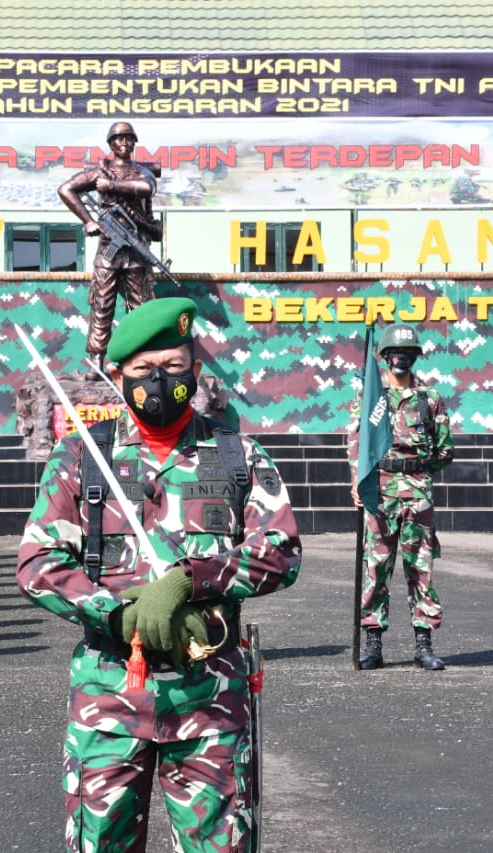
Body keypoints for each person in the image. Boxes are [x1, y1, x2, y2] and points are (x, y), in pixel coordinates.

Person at [18, 297, 300, 852]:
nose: (159, 382)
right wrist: (118, 613)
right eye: (144, 371)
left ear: (194, 373)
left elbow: (280, 550)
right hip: (109, 698)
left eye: (173, 369)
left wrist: (192, 580)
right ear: (119, 376)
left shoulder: (234, 455)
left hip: (210, 699)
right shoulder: (81, 457)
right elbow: (37, 563)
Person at [348, 322, 454, 671]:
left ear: (415, 358)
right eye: (395, 354)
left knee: (420, 568)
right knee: (376, 569)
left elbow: (444, 451)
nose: (401, 360)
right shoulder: (369, 399)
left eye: (407, 354)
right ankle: (374, 644)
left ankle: (423, 644)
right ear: (384, 357)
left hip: (418, 491)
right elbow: (356, 445)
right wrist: (357, 483)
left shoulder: (430, 398)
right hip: (379, 490)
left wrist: (417, 471)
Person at [58, 121, 161, 360]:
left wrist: (112, 185)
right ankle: (96, 358)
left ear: (135, 142)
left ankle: (142, 357)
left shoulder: (141, 170)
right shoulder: (99, 172)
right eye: (119, 138)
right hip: (108, 251)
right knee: (102, 306)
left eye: (128, 138)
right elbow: (66, 189)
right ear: (111, 143)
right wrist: (88, 221)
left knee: (141, 308)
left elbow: (147, 188)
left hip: (136, 248)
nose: (124, 143)